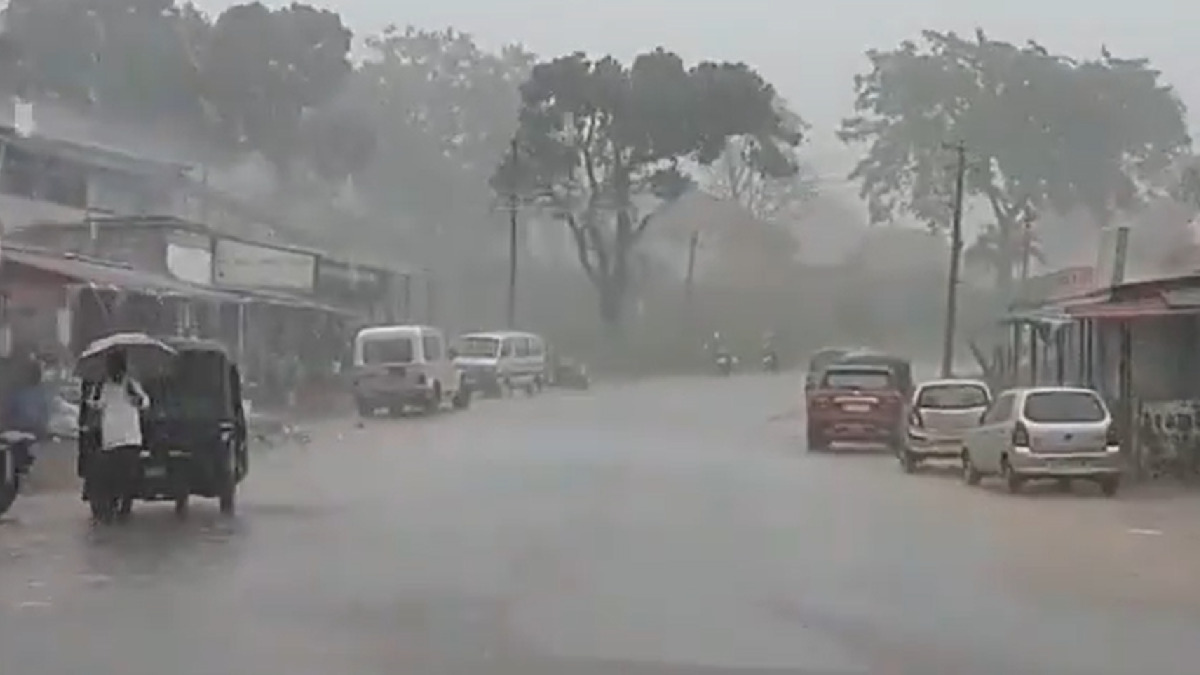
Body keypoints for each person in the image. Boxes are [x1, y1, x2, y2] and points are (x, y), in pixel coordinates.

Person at [84, 350, 150, 515]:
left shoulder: (131, 384)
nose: (113, 371)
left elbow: (145, 403)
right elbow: (95, 405)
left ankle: (125, 510)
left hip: (130, 439)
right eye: (111, 367)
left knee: (128, 478)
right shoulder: (104, 386)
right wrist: (95, 391)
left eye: (116, 367)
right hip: (111, 440)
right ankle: (113, 506)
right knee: (112, 477)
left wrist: (134, 395)